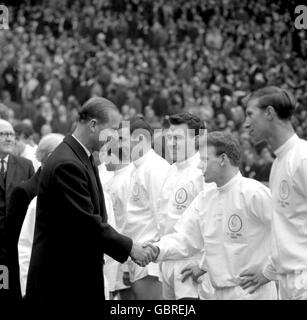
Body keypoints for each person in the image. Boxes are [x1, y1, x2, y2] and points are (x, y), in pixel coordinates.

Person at [25, 97, 156, 309]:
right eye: (112, 130)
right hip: (62, 283)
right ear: (94, 125)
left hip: (76, 278)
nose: (115, 137)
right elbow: (85, 222)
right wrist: (131, 247)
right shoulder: (67, 163)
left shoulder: (81, 157)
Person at [144, 132, 277, 300]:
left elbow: (287, 231)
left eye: (205, 160)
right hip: (218, 292)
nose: (199, 166)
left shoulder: (253, 193)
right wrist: (156, 249)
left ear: (222, 159)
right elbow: (185, 238)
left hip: (252, 292)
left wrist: (269, 272)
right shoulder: (205, 198)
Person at [241, 86, 307, 300]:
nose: (246, 123)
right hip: (288, 283)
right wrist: (268, 271)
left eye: (250, 114)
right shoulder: (279, 163)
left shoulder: (302, 159)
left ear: (269, 113)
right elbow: (288, 225)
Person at [157, 112, 214, 300]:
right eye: (170, 137)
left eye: (178, 138)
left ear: (196, 140)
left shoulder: (202, 171)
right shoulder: (171, 170)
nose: (172, 143)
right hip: (168, 261)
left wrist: (203, 265)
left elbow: (212, 221)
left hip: (191, 263)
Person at [124, 116, 170, 299]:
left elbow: (163, 218)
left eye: (123, 139)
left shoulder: (156, 168)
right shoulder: (136, 168)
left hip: (150, 258)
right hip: (137, 255)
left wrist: (155, 259)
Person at [0, 119, 34, 300]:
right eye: (3, 134)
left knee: (15, 292)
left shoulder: (26, 165)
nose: (9, 138)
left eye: (11, 134)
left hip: (17, 246)